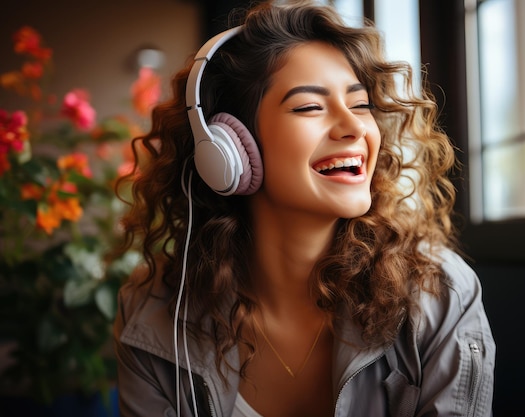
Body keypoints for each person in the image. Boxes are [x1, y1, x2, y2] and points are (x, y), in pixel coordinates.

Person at [113, 1, 496, 416]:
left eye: (360, 104)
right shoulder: (150, 313)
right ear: (228, 150)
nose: (353, 127)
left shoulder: (438, 296)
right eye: (310, 107)